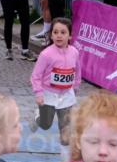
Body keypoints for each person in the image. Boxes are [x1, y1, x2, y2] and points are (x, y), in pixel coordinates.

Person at [29, 17, 81, 146]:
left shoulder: (74, 52)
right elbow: (36, 76)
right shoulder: (46, 55)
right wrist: (39, 93)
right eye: (55, 32)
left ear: (70, 36)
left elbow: (78, 70)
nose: (59, 36)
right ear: (51, 35)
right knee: (46, 124)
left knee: (66, 130)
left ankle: (65, 155)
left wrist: (75, 86)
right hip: (48, 94)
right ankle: (37, 117)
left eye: (63, 32)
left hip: (67, 95)